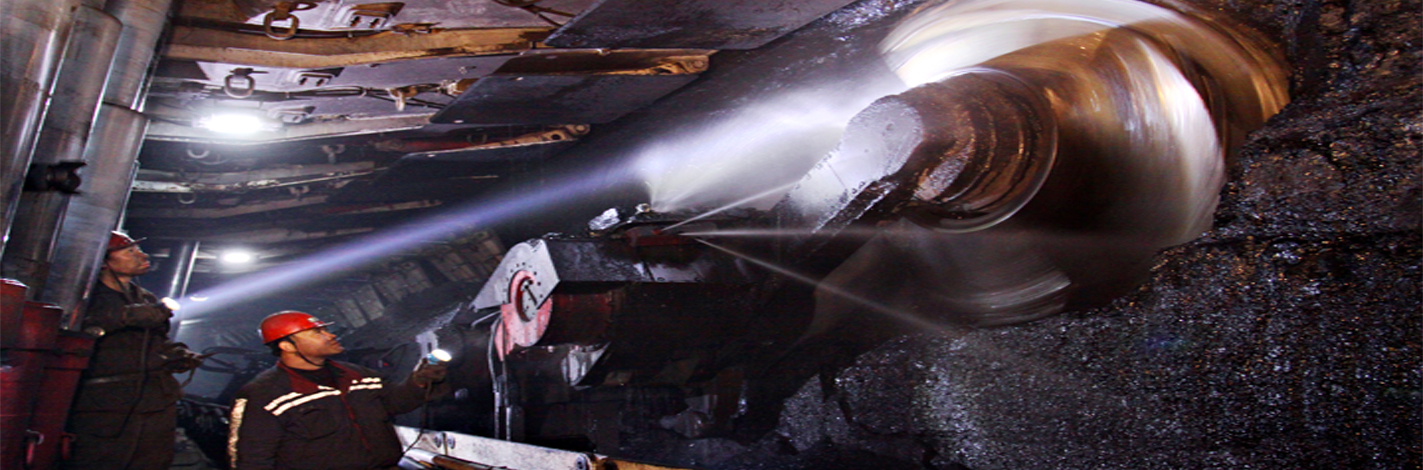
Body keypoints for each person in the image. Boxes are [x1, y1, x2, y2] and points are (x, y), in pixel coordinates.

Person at [228, 311, 448, 470]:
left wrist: (418, 383)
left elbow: (395, 403)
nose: (330, 335)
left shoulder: (357, 375)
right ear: (287, 346)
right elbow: (252, 458)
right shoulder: (265, 394)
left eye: (325, 329)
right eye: (317, 332)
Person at [64, 231, 205, 470]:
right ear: (104, 262)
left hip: (155, 400)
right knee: (101, 461)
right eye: (130, 251)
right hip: (106, 403)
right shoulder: (86, 297)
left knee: (152, 461)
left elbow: (157, 341)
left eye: (137, 250)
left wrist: (176, 354)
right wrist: (125, 316)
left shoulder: (145, 297)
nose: (142, 256)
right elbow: (72, 328)